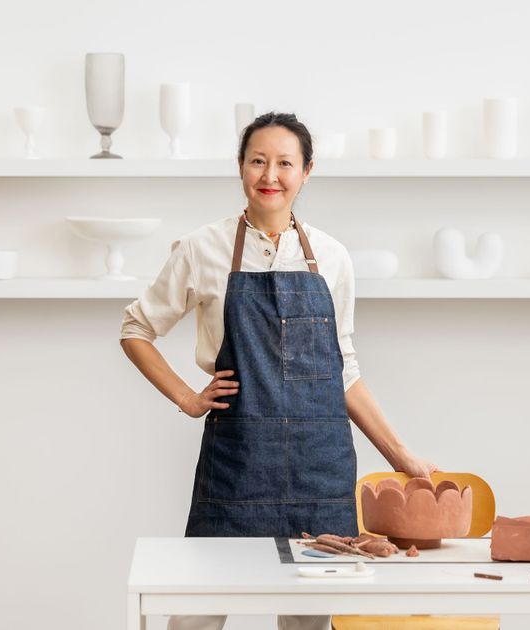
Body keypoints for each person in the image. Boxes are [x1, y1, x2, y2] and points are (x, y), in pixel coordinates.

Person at [120, 111, 437, 630]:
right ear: (241, 168)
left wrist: (402, 456)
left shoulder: (331, 257)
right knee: (200, 608)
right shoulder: (203, 248)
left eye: (284, 163)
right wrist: (187, 397)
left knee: (308, 619)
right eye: (258, 161)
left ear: (306, 171)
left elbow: (344, 371)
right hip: (239, 458)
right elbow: (136, 329)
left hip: (320, 466)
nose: (271, 175)